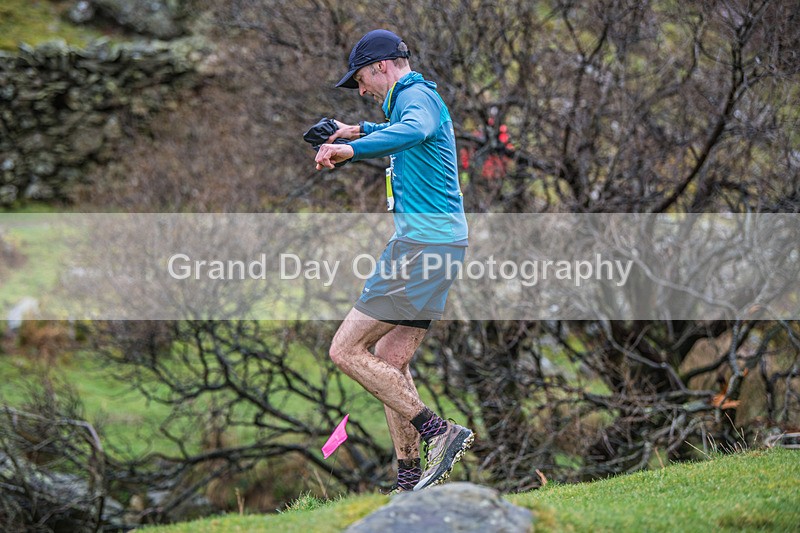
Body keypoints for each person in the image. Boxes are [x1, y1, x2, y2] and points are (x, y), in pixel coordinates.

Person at [314, 29, 474, 493]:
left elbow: (417, 129)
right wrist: (356, 130)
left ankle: (439, 432)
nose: (361, 90)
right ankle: (409, 478)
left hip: (421, 247)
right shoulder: (409, 101)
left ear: (382, 66)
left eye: (361, 79)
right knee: (390, 358)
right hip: (440, 246)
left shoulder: (416, 95)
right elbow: (406, 131)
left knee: (345, 350)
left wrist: (351, 149)